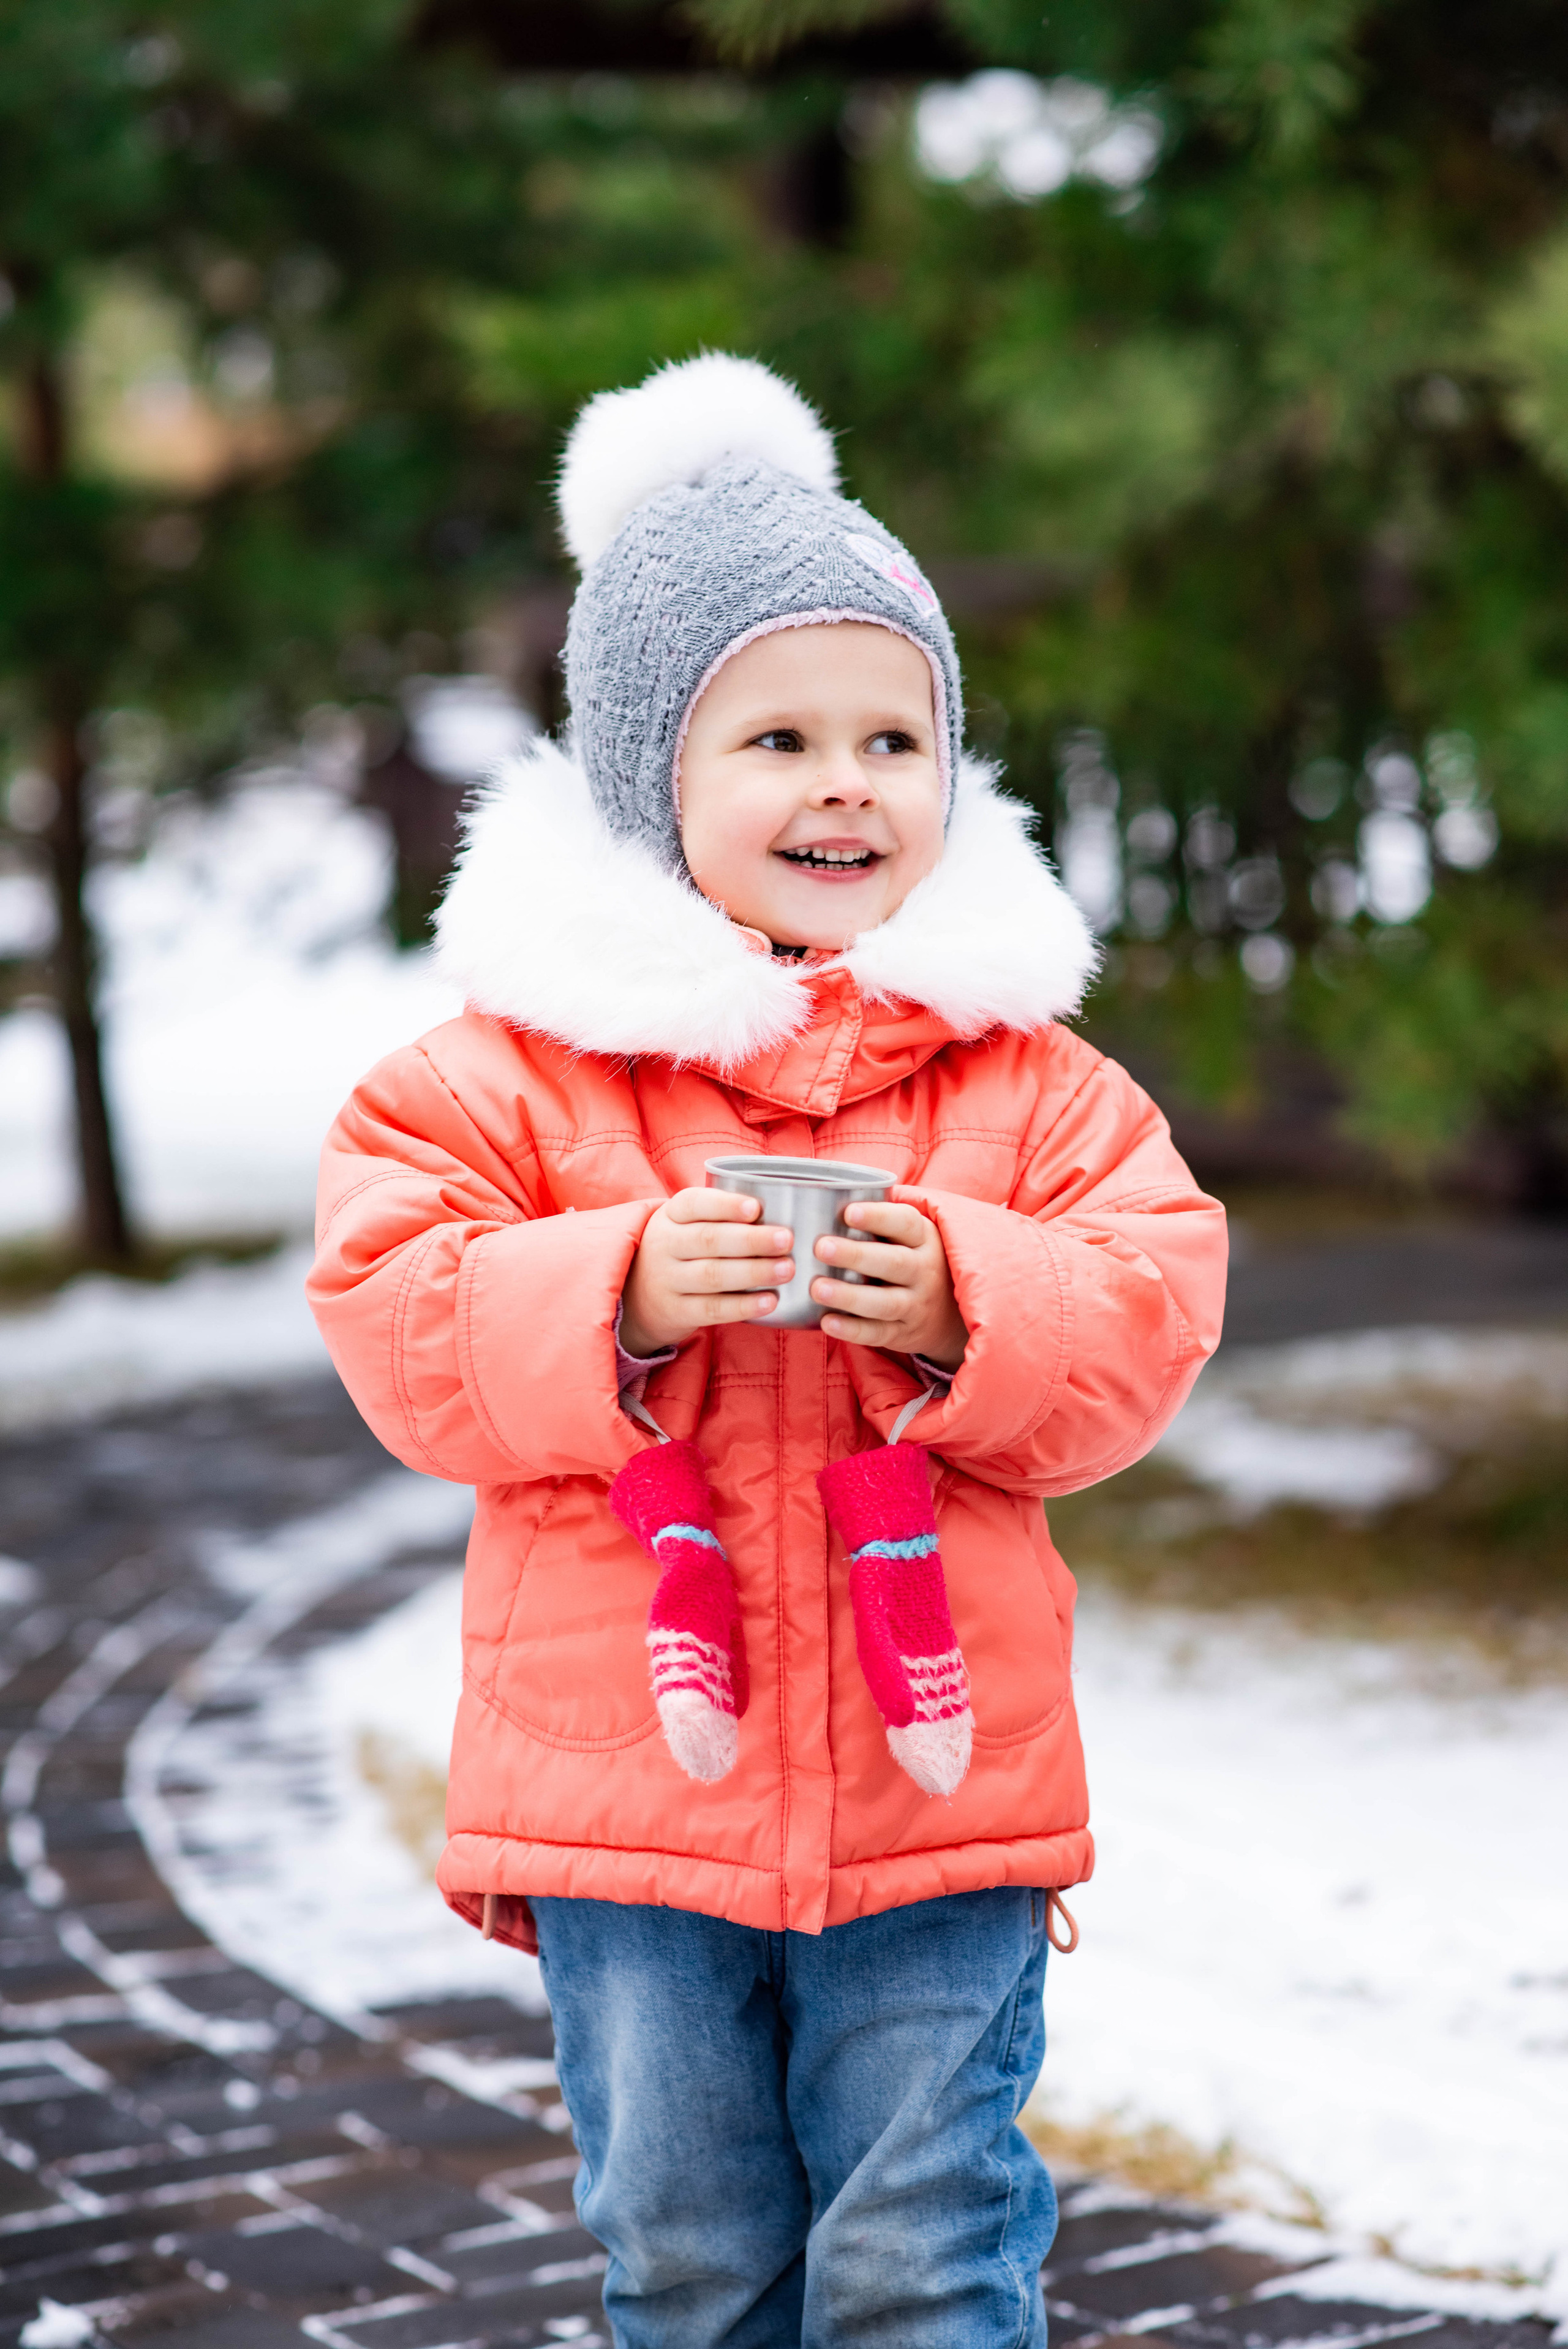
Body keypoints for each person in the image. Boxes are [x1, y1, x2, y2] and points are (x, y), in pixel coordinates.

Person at [307, 353, 1227, 2349]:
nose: (847, 783)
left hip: (937, 1790)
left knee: (929, 2246)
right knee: (692, 2249)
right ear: (650, 775)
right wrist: (620, 1287)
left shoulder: (1029, 1077)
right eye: (781, 737)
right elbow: (395, 1311)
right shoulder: (499, 1077)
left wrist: (977, 1297)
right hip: (633, 1790)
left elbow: (1155, 1299)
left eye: (896, 736)